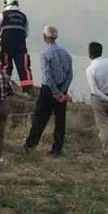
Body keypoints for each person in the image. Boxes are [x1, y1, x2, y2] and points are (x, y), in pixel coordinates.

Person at [24, 25, 72, 156]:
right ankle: (57, 149)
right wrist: (62, 91)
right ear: (56, 37)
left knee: (40, 118)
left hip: (48, 90)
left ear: (44, 37)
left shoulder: (45, 53)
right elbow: (70, 75)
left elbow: (47, 75)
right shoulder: (66, 53)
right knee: (60, 120)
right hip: (63, 89)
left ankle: (30, 146)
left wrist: (55, 92)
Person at [0, 0, 33, 93]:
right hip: (21, 47)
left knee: (6, 66)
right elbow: (26, 33)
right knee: (24, 67)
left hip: (7, 46)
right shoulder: (23, 16)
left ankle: (4, 87)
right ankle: (28, 90)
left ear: (6, 3)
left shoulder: (3, 14)